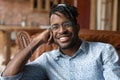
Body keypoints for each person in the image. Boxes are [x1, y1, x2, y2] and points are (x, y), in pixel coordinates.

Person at [0, 3, 120, 80]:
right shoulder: (47, 60)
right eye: (55, 27)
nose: (62, 30)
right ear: (50, 32)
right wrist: (36, 41)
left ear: (77, 27)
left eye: (67, 24)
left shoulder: (104, 51)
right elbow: (8, 77)